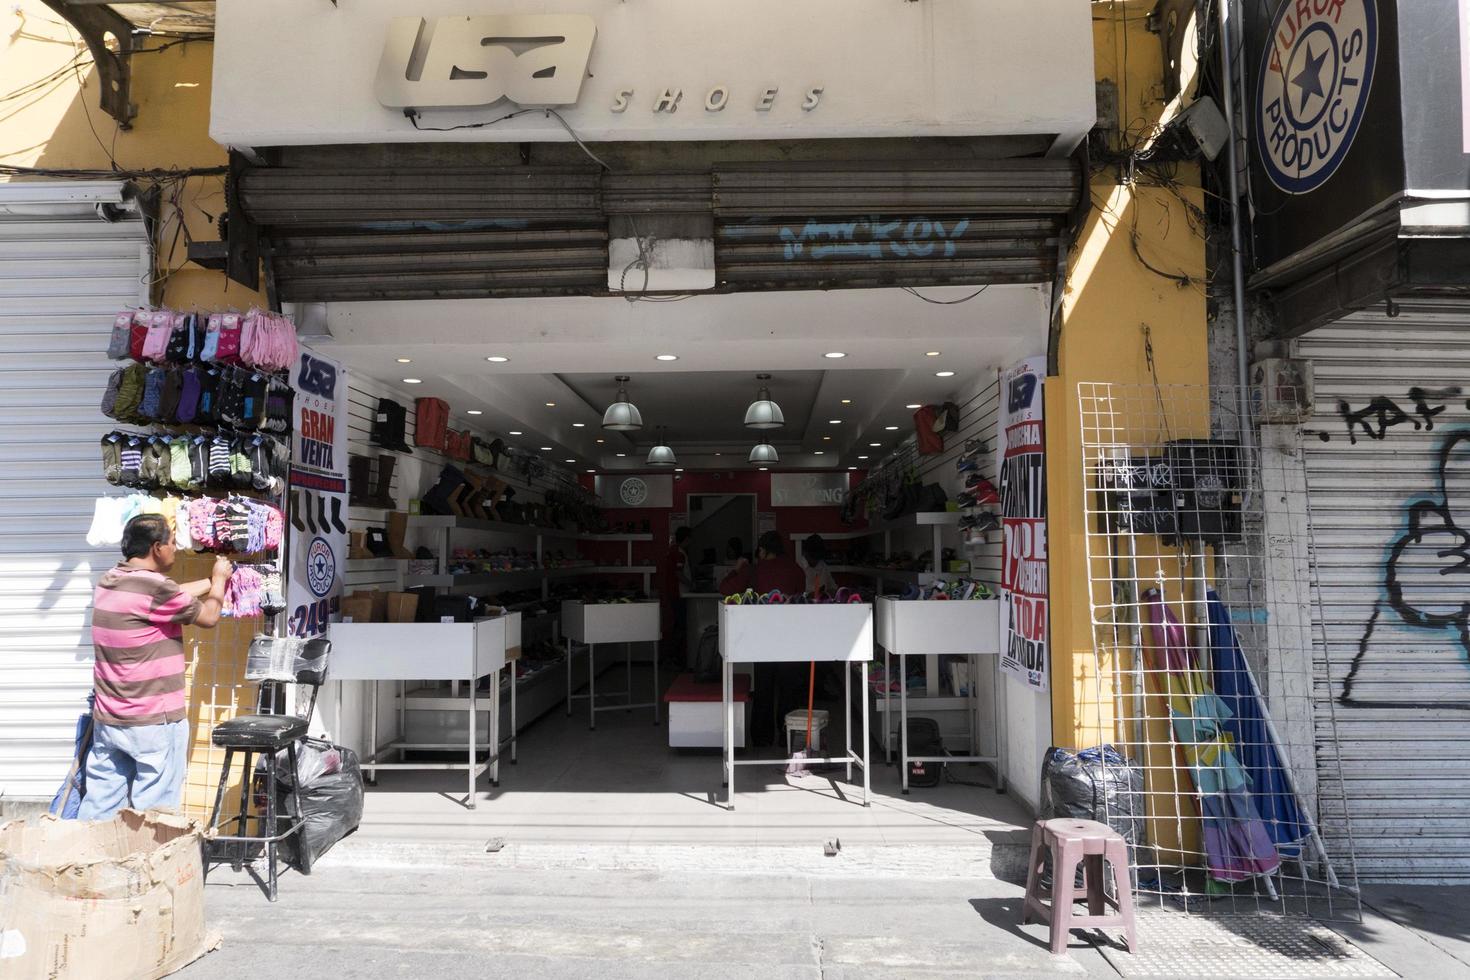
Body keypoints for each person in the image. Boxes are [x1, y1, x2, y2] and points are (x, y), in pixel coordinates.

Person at [78, 513, 230, 820]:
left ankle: (88, 863)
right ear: (157, 548)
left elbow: (165, 595)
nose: (175, 548)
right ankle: (148, 865)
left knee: (100, 807)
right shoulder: (156, 589)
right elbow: (209, 617)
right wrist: (220, 581)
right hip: (154, 721)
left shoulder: (110, 581)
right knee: (154, 813)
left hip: (111, 718)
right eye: (173, 543)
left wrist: (205, 581)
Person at [719, 530, 805, 597]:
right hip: (789, 617)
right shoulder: (796, 570)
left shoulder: (753, 570)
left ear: (763, 550)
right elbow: (800, 596)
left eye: (759, 551)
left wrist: (736, 570)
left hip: (760, 617)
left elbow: (724, 589)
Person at [658, 526, 694, 660]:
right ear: (687, 538)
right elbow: (678, 573)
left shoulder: (671, 550)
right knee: (680, 626)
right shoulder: (679, 553)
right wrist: (692, 584)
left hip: (673, 593)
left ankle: (673, 658)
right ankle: (674, 658)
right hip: (680, 593)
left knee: (678, 625)